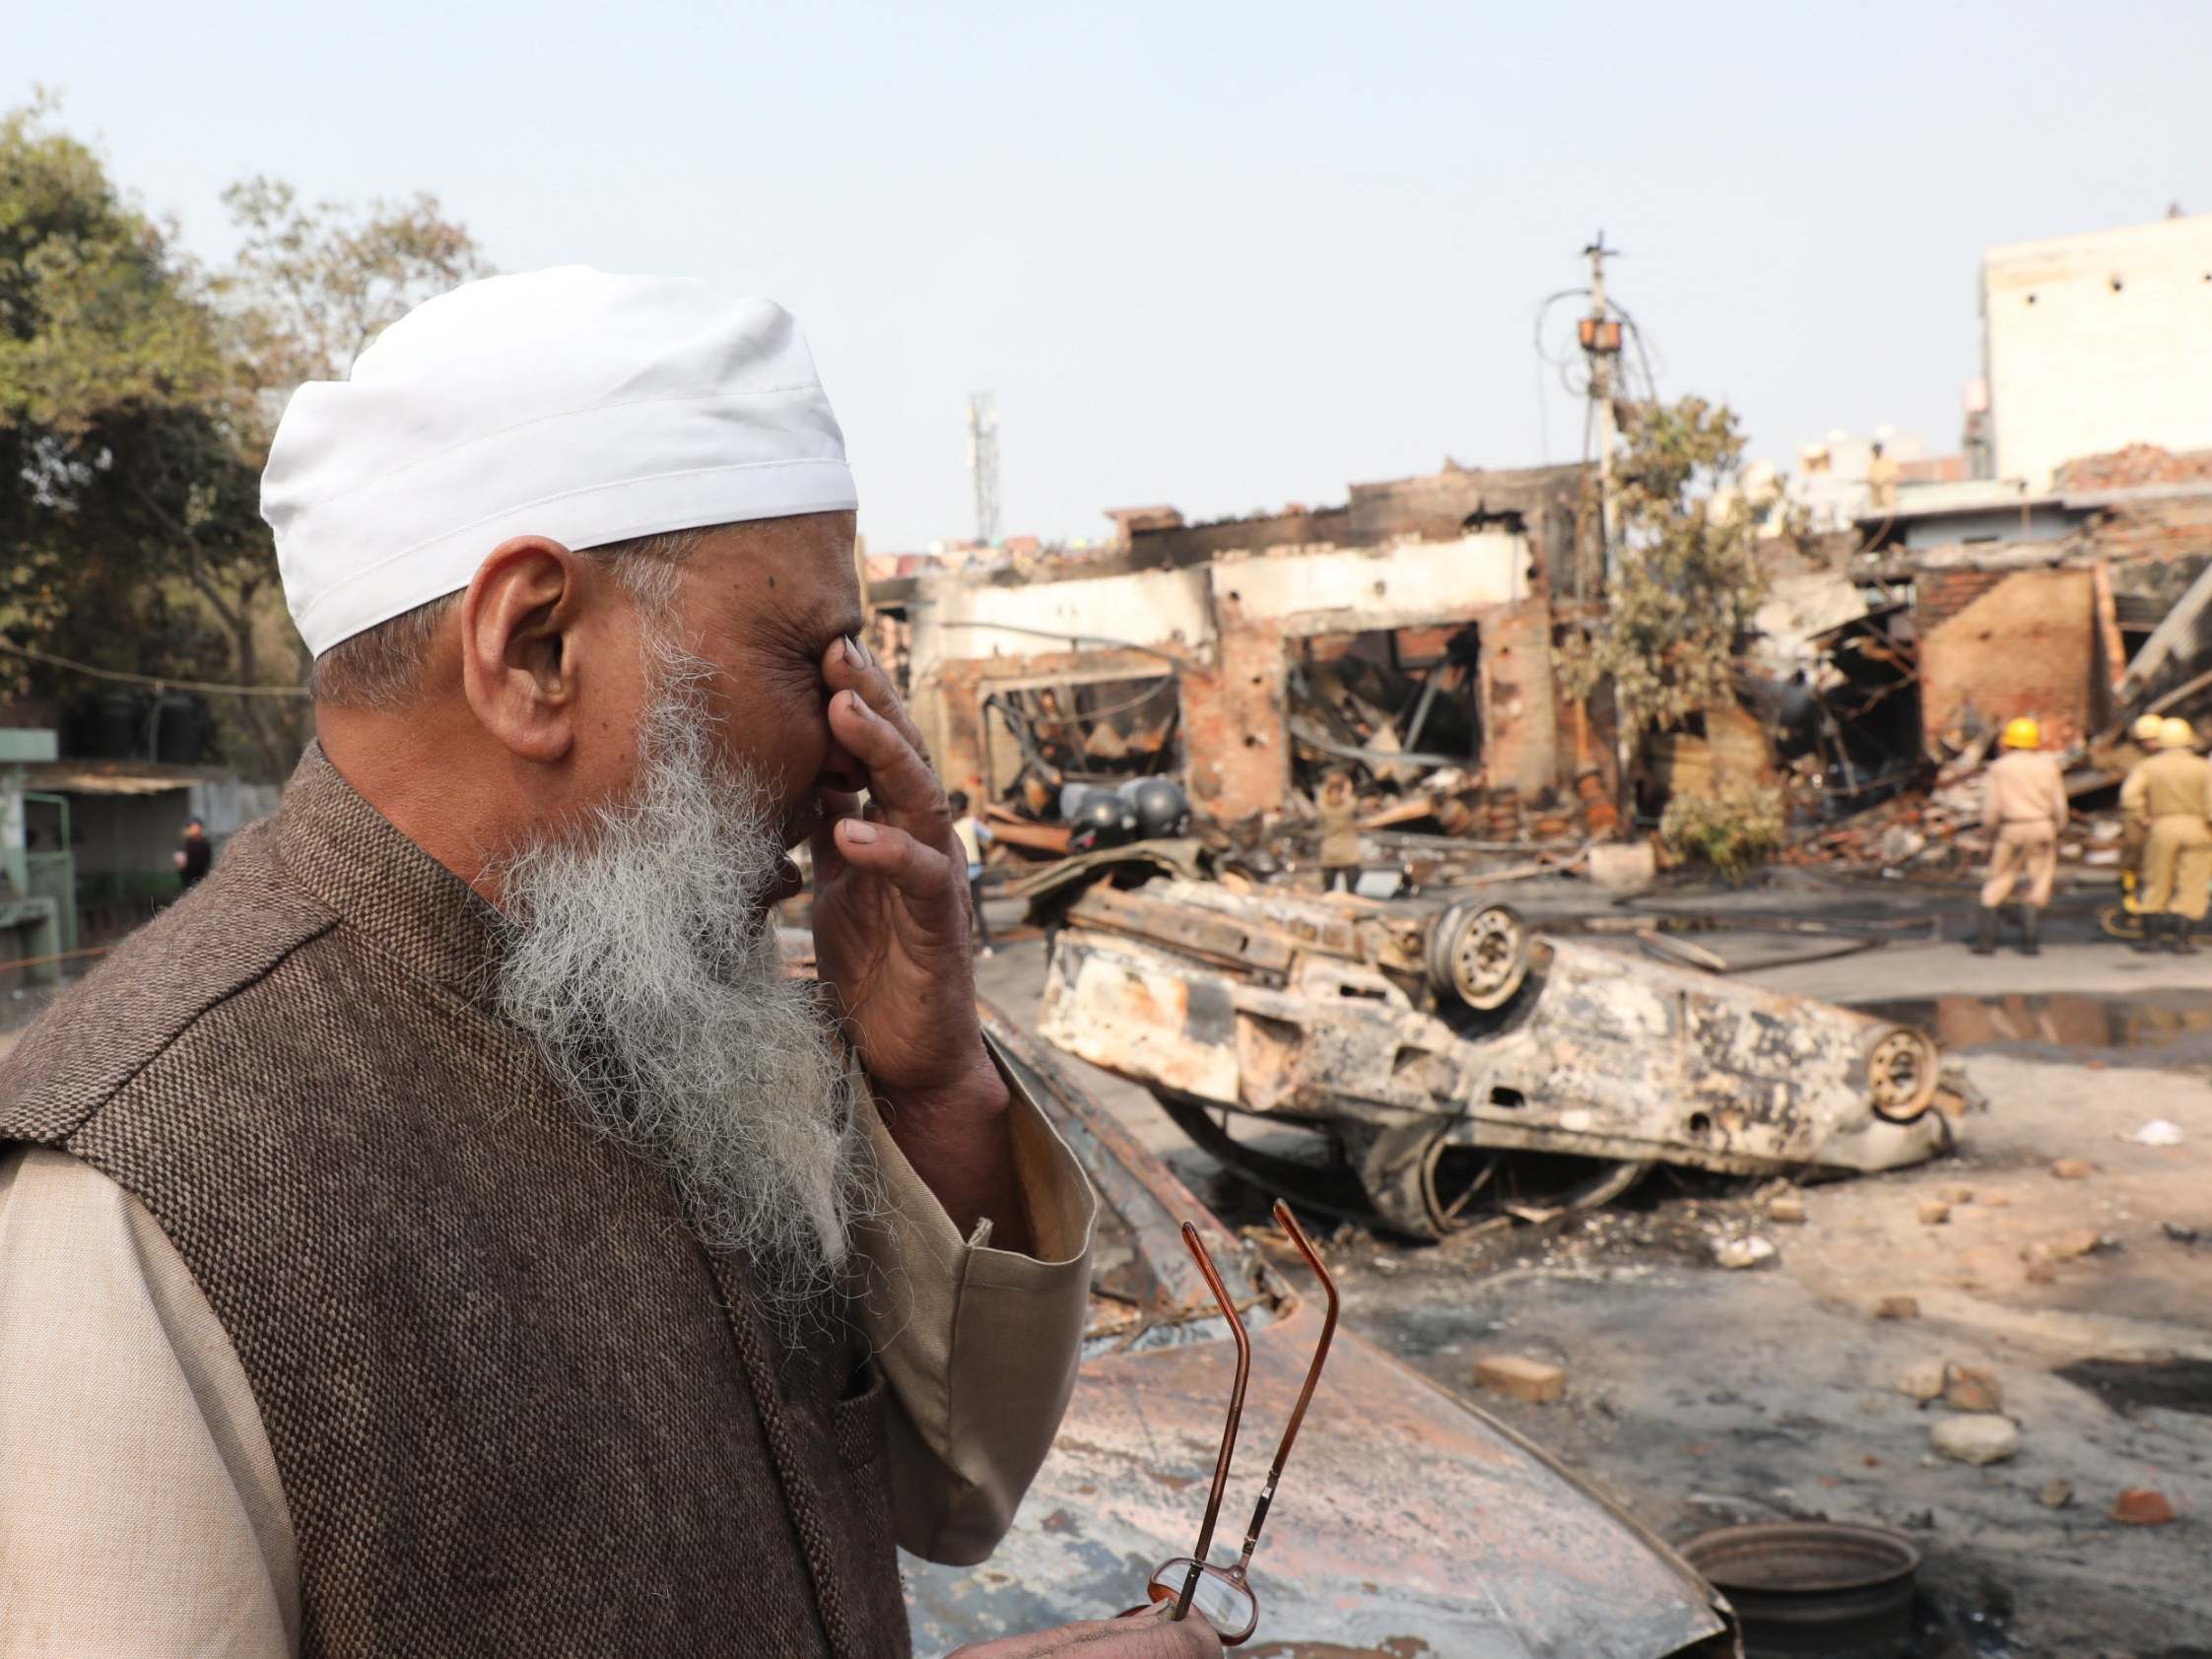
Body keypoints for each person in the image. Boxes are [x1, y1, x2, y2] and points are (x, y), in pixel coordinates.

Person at [0, 271, 1217, 1659]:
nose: (855, 738)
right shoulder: (139, 1187)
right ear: (534, 650)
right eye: (807, 654)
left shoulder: (676, 1010)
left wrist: (933, 1092)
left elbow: (954, 1496)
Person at [1971, 716, 2066, 957]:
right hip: (2042, 826)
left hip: (2011, 829)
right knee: (2039, 879)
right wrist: (2058, 828)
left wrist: (1989, 833)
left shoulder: (1999, 768)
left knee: (2000, 877)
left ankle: (1986, 942)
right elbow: (2060, 805)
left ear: (2008, 742)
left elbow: (1991, 809)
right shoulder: (2049, 765)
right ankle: (2030, 942)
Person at [2120, 716, 2212, 955]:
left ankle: (2151, 941)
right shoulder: (2203, 767)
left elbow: (2129, 797)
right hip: (2198, 828)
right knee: (2193, 885)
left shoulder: (2149, 767)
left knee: (2156, 881)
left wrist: (2142, 817)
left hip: (2162, 827)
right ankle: (2182, 942)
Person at [948, 788, 994, 958]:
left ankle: (965, 948)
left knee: (960, 912)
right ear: (966, 808)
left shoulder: (948, 826)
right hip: (975, 871)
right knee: (978, 911)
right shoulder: (971, 823)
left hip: (957, 874)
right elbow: (989, 835)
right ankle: (987, 945)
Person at [1315, 772, 1362, 894]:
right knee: (1351, 890)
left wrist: (1329, 785)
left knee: (1328, 890)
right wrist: (1346, 784)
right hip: (1348, 852)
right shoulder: (1348, 807)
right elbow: (1351, 798)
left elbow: (1320, 799)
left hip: (1329, 852)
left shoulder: (1323, 807)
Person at [172, 815, 213, 892]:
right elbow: (181, 866)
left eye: (195, 826)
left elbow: (205, 864)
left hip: (202, 882)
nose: (193, 828)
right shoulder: (184, 844)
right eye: (191, 826)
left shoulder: (204, 843)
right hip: (187, 883)